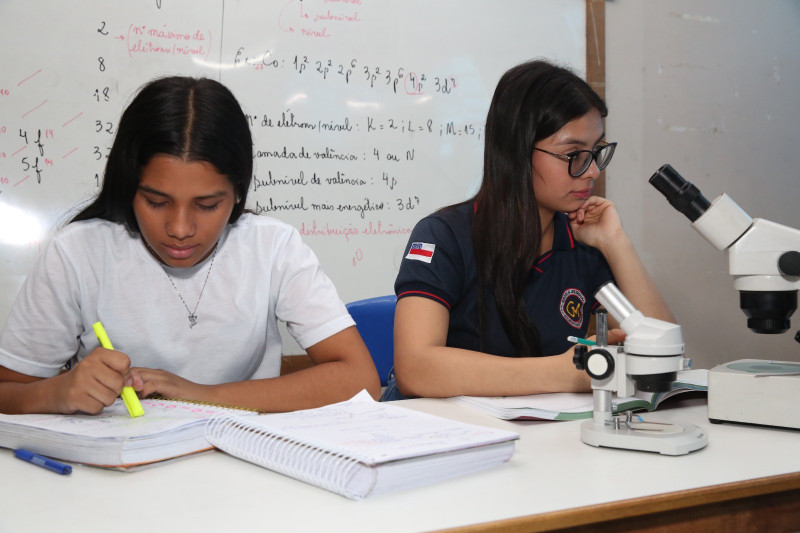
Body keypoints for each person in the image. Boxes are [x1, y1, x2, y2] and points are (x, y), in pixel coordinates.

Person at [0, 76, 380, 415]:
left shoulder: (273, 247)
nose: (180, 229)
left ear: (237, 194)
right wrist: (56, 393)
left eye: (208, 205)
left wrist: (200, 395)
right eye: (156, 201)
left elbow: (360, 380)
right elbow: (8, 391)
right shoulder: (79, 252)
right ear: (129, 187)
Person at [384, 59, 674, 401]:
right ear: (517, 151)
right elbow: (417, 369)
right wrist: (566, 372)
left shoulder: (582, 242)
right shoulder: (444, 236)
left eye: (597, 152)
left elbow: (663, 354)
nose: (593, 171)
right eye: (574, 154)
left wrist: (616, 243)